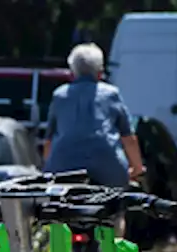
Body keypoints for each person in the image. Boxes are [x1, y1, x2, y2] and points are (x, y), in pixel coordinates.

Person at [43, 43, 146, 190]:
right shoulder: (111, 94)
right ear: (99, 72)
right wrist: (137, 168)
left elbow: (48, 141)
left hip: (63, 169)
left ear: (72, 73)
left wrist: (49, 167)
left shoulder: (59, 96)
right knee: (116, 203)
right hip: (108, 168)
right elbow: (129, 139)